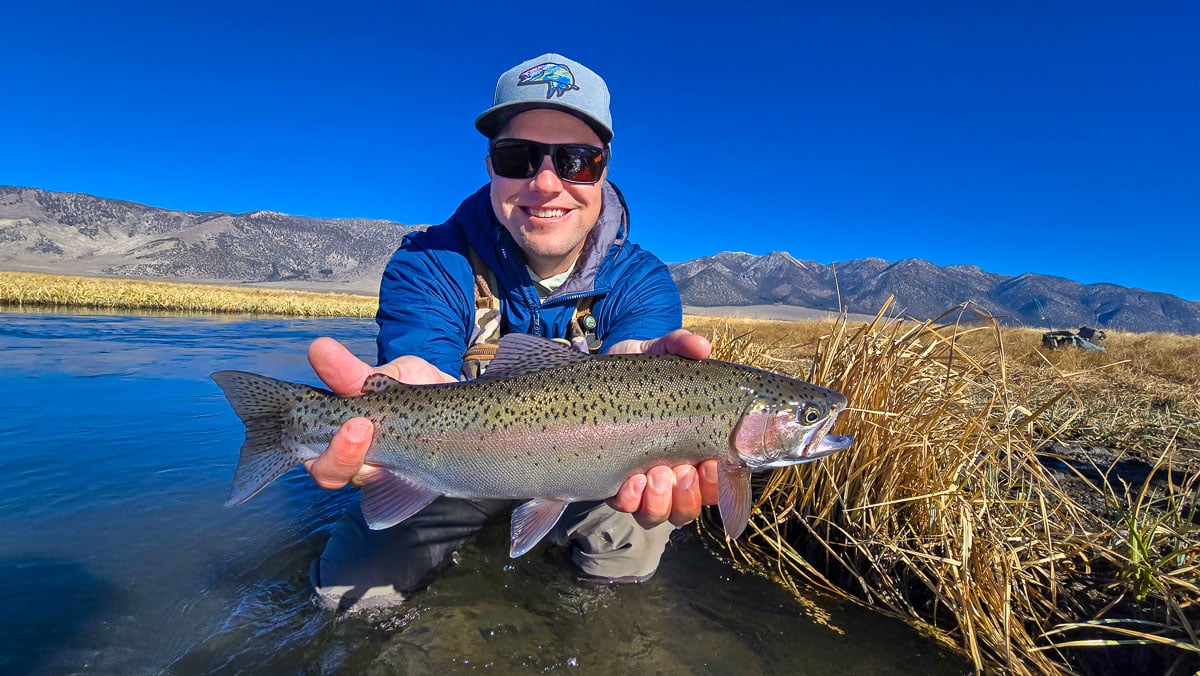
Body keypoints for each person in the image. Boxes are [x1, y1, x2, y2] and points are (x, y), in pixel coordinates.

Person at [303, 53, 716, 611]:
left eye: (576, 160)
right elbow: (418, 372)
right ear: (490, 166)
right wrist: (389, 407)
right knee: (347, 594)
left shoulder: (642, 280)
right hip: (453, 456)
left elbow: (635, 353)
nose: (546, 183)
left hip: (596, 469)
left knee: (633, 550)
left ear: (604, 169)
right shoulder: (428, 262)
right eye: (518, 157)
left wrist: (642, 375)